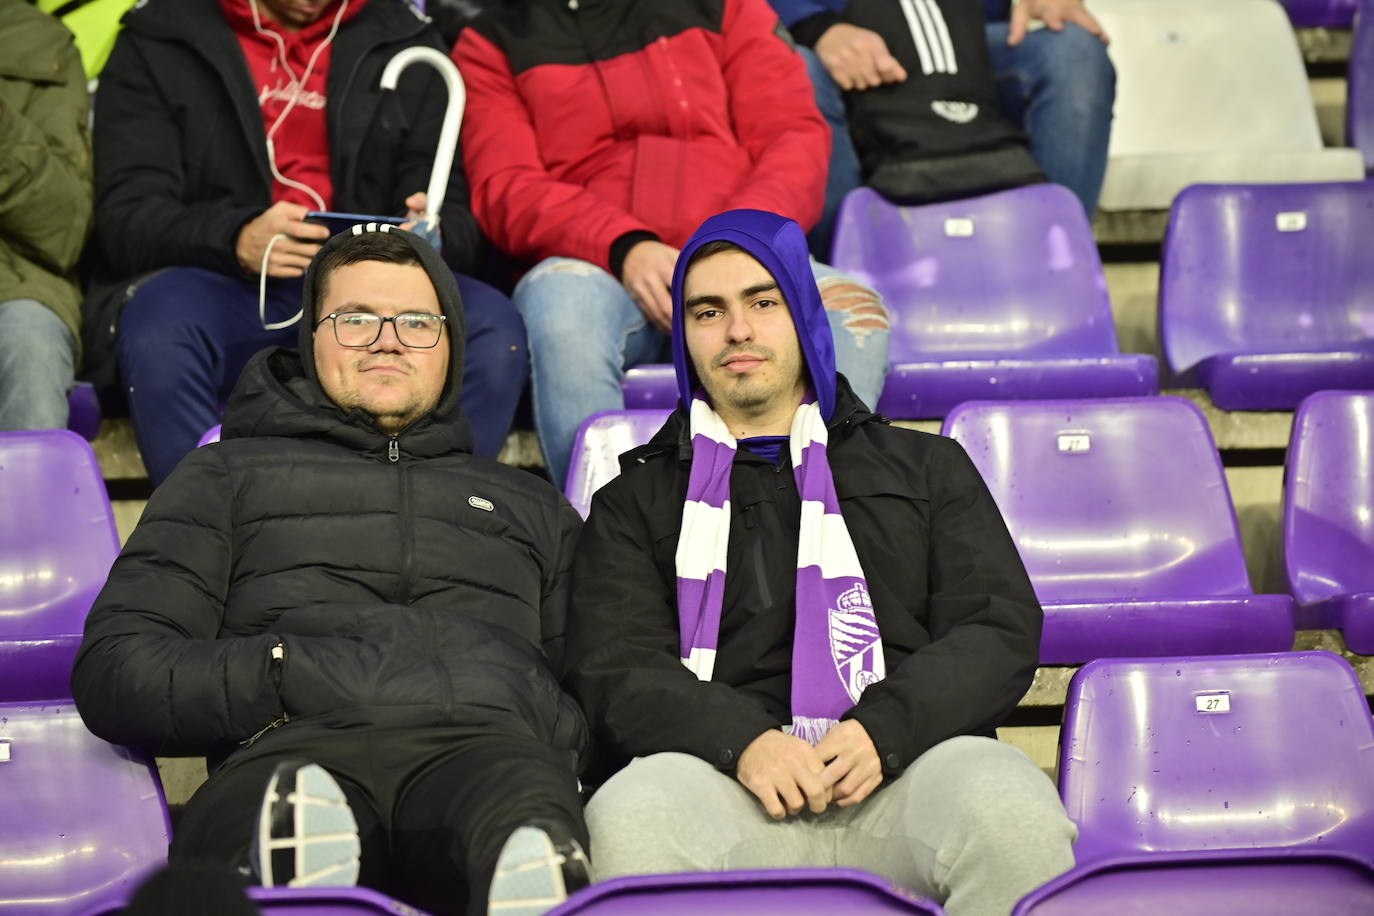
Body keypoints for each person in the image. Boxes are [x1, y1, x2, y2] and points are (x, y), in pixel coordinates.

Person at [566, 209, 1076, 916]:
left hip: (907, 773)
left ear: (804, 316)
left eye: (762, 302)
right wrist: (740, 740)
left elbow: (997, 628)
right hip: (723, 783)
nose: (738, 330)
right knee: (631, 815)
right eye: (708, 311)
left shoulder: (925, 468)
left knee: (1010, 806)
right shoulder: (635, 500)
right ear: (683, 336)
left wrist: (884, 732)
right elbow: (613, 666)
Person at [73, 228, 590, 916]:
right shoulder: (225, 475)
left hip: (485, 748)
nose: (387, 339)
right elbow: (117, 669)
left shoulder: (532, 506)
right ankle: (295, 879)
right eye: (355, 320)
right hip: (288, 751)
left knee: (524, 814)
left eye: (415, 322)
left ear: (453, 345)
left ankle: (532, 875)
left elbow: (599, 679)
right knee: (281, 812)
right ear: (312, 338)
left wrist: (523, 709)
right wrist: (282, 671)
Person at [83, 0, 526, 483]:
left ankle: (441, 524)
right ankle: (209, 529)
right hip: (225, 282)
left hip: (375, 286)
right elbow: (126, 217)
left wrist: (428, 236)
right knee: (160, 331)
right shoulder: (162, 37)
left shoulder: (407, 38)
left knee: (491, 330)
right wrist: (235, 237)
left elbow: (461, 218)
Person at [453, 0, 891, 489]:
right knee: (562, 307)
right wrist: (623, 245)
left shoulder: (728, 6)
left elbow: (793, 136)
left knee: (854, 315)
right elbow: (506, 185)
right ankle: (614, 537)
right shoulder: (493, 37)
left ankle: (809, 521)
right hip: (600, 268)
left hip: (742, 246)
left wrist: (733, 242)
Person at [773, 0, 1115, 254]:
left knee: (1074, 53)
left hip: (966, 40)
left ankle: (1056, 260)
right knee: (796, 69)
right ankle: (842, 272)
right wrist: (813, 25)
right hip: (829, 37)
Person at [0, 0, 91, 432]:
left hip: (14, 280)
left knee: (29, 344)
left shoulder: (39, 42)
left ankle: (29, 501)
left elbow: (66, 227)